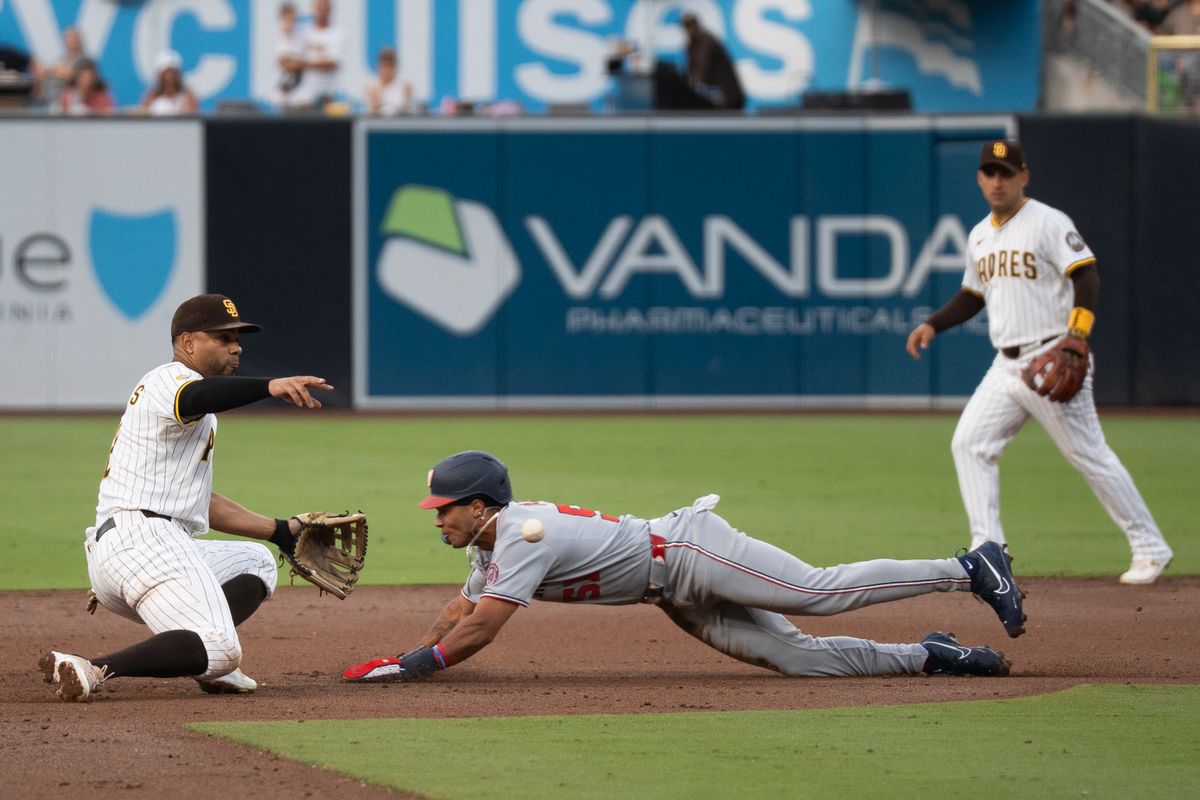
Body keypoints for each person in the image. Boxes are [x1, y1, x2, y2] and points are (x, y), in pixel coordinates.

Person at [343, 450, 1023, 684]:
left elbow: (482, 629)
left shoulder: (522, 535)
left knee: (816, 593)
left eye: (444, 508)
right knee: (801, 660)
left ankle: (969, 566)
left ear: (480, 504)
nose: (436, 517)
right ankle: (933, 659)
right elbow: (460, 613)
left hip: (694, 551)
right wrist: (406, 658)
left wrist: (425, 666)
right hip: (673, 592)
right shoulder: (490, 540)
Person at [40, 294, 334, 702]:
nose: (237, 346)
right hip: (144, 542)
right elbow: (198, 397)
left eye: (238, 338)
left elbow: (198, 501)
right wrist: (269, 385)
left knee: (256, 563)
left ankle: (207, 662)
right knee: (223, 650)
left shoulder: (194, 409)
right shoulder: (169, 381)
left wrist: (280, 531)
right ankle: (94, 667)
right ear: (188, 342)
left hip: (137, 545)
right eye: (223, 337)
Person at [905, 140, 1174, 586]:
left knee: (1088, 454)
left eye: (1006, 173)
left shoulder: (1048, 221)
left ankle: (1150, 546)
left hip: (1052, 355)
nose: (997, 181)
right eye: (989, 173)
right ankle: (988, 552)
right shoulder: (979, 235)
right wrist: (934, 324)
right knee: (970, 443)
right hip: (1005, 366)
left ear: (1023, 176)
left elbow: (1086, 274)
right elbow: (974, 295)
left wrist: (1077, 335)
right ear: (979, 178)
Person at [680, 12, 745, 110]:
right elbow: (691, 70)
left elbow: (703, 67)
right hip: (719, 96)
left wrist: (697, 92)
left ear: (696, 25)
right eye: (686, 26)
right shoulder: (693, 45)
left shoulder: (706, 41)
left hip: (728, 96)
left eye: (691, 25)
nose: (688, 30)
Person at [291, 0, 343, 111]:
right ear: (313, 8)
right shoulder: (303, 31)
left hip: (327, 97)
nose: (321, 11)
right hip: (304, 99)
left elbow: (332, 63)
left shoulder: (338, 33)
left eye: (325, 7)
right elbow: (290, 62)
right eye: (319, 7)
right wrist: (318, 62)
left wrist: (304, 62)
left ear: (330, 9)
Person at [140, 50, 198, 116]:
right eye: (167, 72)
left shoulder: (188, 96)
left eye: (173, 72)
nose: (170, 76)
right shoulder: (151, 96)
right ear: (160, 74)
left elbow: (192, 117)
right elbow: (145, 117)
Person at [364, 47, 413, 116]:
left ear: (395, 66)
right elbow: (374, 111)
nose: (387, 70)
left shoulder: (405, 86)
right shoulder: (372, 86)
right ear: (378, 66)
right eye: (384, 65)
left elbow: (406, 110)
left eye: (390, 66)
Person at [274, 2, 305, 108]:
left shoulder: (302, 34)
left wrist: (300, 63)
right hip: (285, 89)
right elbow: (284, 63)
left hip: (301, 89)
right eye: (287, 17)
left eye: (293, 17)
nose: (291, 21)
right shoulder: (280, 37)